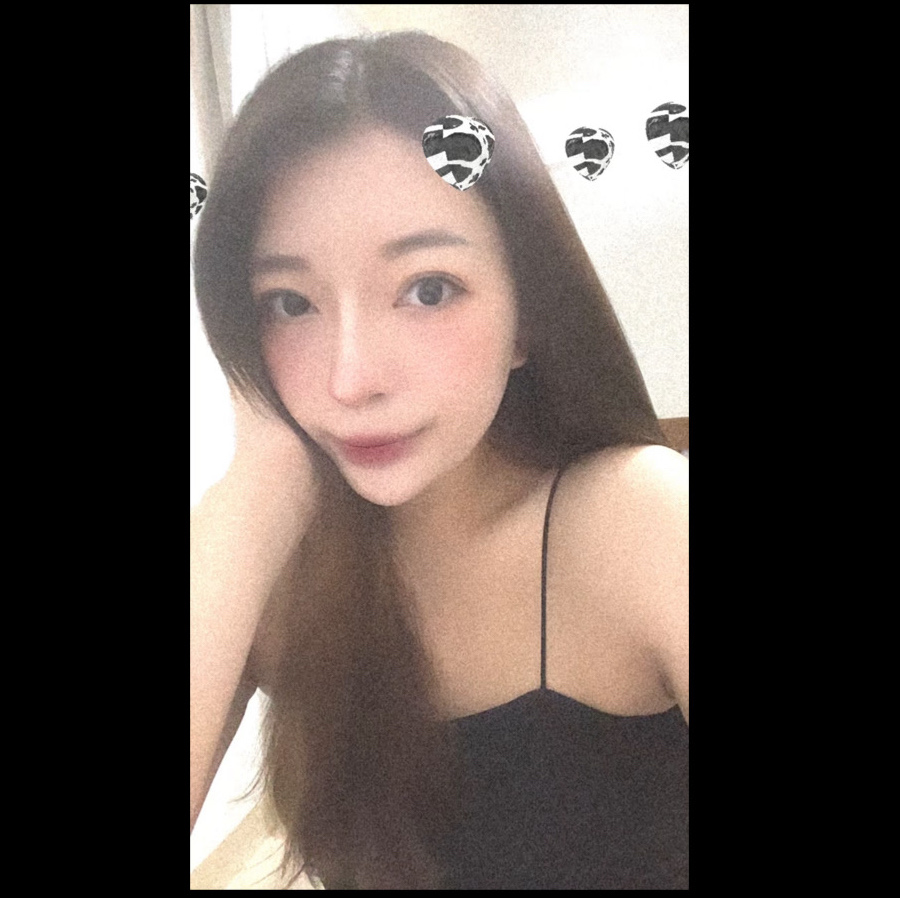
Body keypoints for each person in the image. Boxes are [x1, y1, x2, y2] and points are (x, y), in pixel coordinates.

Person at [191, 30, 688, 890]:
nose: (352, 379)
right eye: (290, 303)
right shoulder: (268, 571)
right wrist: (259, 488)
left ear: (527, 313)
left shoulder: (635, 523)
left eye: (428, 289)